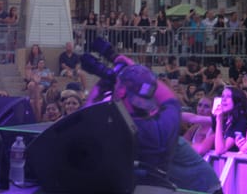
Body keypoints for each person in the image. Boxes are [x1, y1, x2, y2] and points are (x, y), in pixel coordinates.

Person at [87, 59, 221, 193]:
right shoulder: (154, 123)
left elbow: (89, 119)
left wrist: (103, 84)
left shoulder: (152, 132)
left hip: (205, 190)